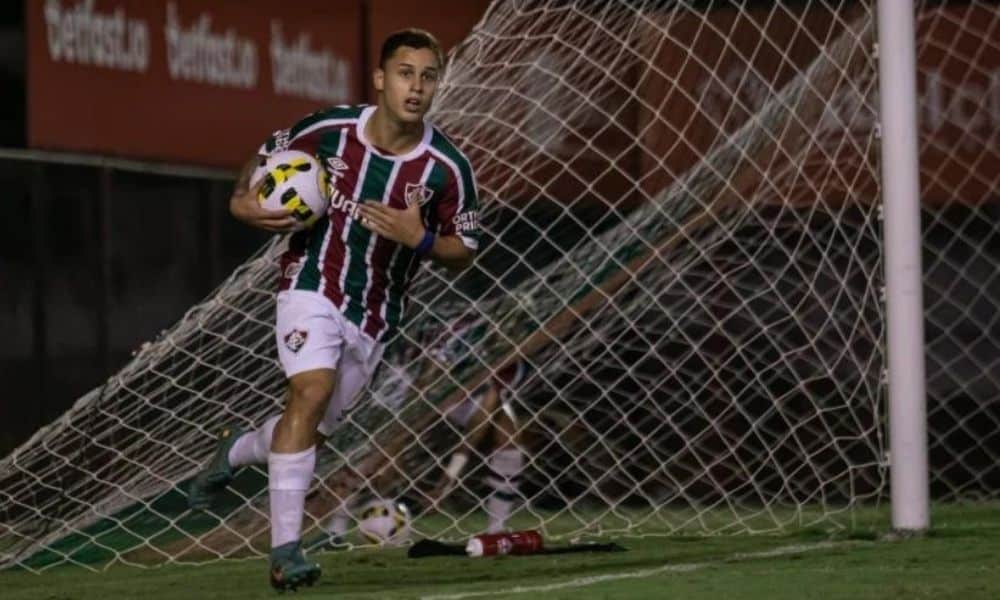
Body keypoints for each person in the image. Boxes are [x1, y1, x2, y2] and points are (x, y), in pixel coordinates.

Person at [186, 28, 479, 591]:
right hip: (310, 284)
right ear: (380, 79)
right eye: (404, 73)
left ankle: (237, 448)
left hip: (375, 316)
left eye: (427, 76)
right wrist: (241, 199)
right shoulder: (330, 129)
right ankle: (284, 553)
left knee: (310, 431)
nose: (415, 87)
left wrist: (419, 239)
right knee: (311, 392)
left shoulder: (447, 169)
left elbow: (465, 251)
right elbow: (266, 153)